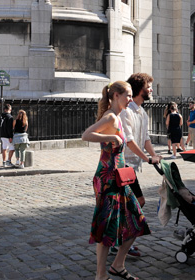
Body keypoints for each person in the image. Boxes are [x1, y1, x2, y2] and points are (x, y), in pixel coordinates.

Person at [82, 80, 150, 280]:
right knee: (106, 226)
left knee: (136, 221)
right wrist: (111, 138)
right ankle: (101, 275)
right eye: (127, 95)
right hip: (107, 179)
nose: (130, 98)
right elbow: (86, 135)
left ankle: (118, 265)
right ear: (116, 96)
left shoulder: (119, 117)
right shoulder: (111, 117)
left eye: (130, 95)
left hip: (119, 178)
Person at [117, 72, 161, 259]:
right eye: (148, 86)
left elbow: (145, 139)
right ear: (139, 89)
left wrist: (154, 155)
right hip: (123, 165)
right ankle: (121, 241)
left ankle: (118, 240)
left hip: (132, 166)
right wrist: (147, 158)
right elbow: (129, 141)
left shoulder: (142, 112)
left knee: (128, 205)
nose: (151, 89)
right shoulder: (127, 111)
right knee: (137, 203)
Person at [0, 101, 15, 168]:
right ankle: (8, 161)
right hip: (7, 135)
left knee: (4, 148)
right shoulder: (10, 117)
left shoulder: (2, 116)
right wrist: (10, 136)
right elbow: (9, 128)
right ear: (9, 109)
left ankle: (4, 162)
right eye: (10, 109)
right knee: (12, 148)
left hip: (2, 134)